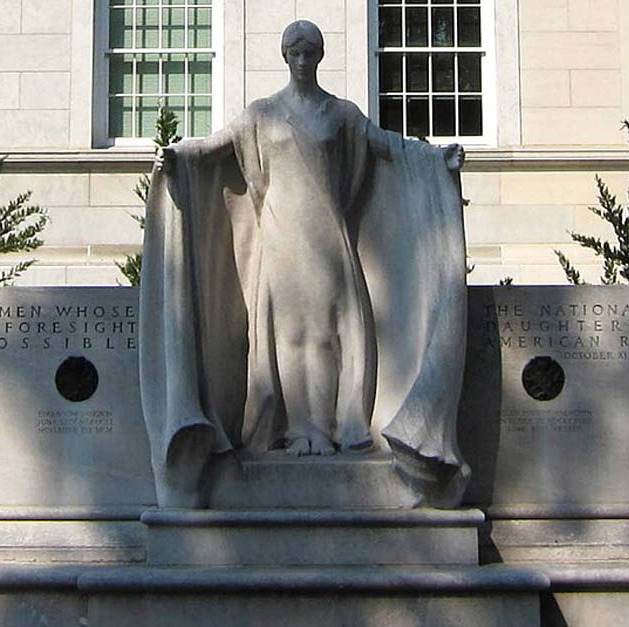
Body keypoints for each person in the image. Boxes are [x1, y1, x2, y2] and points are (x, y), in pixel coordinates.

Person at [141, 20, 469, 507]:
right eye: (294, 51)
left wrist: (437, 159)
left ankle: (338, 426)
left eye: (309, 51)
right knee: (287, 336)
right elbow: (212, 147)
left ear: (318, 56)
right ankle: (300, 430)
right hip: (280, 234)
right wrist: (178, 155)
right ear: (284, 56)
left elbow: (390, 148)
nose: (302, 59)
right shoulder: (261, 114)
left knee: (333, 332)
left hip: (327, 232)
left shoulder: (342, 115)